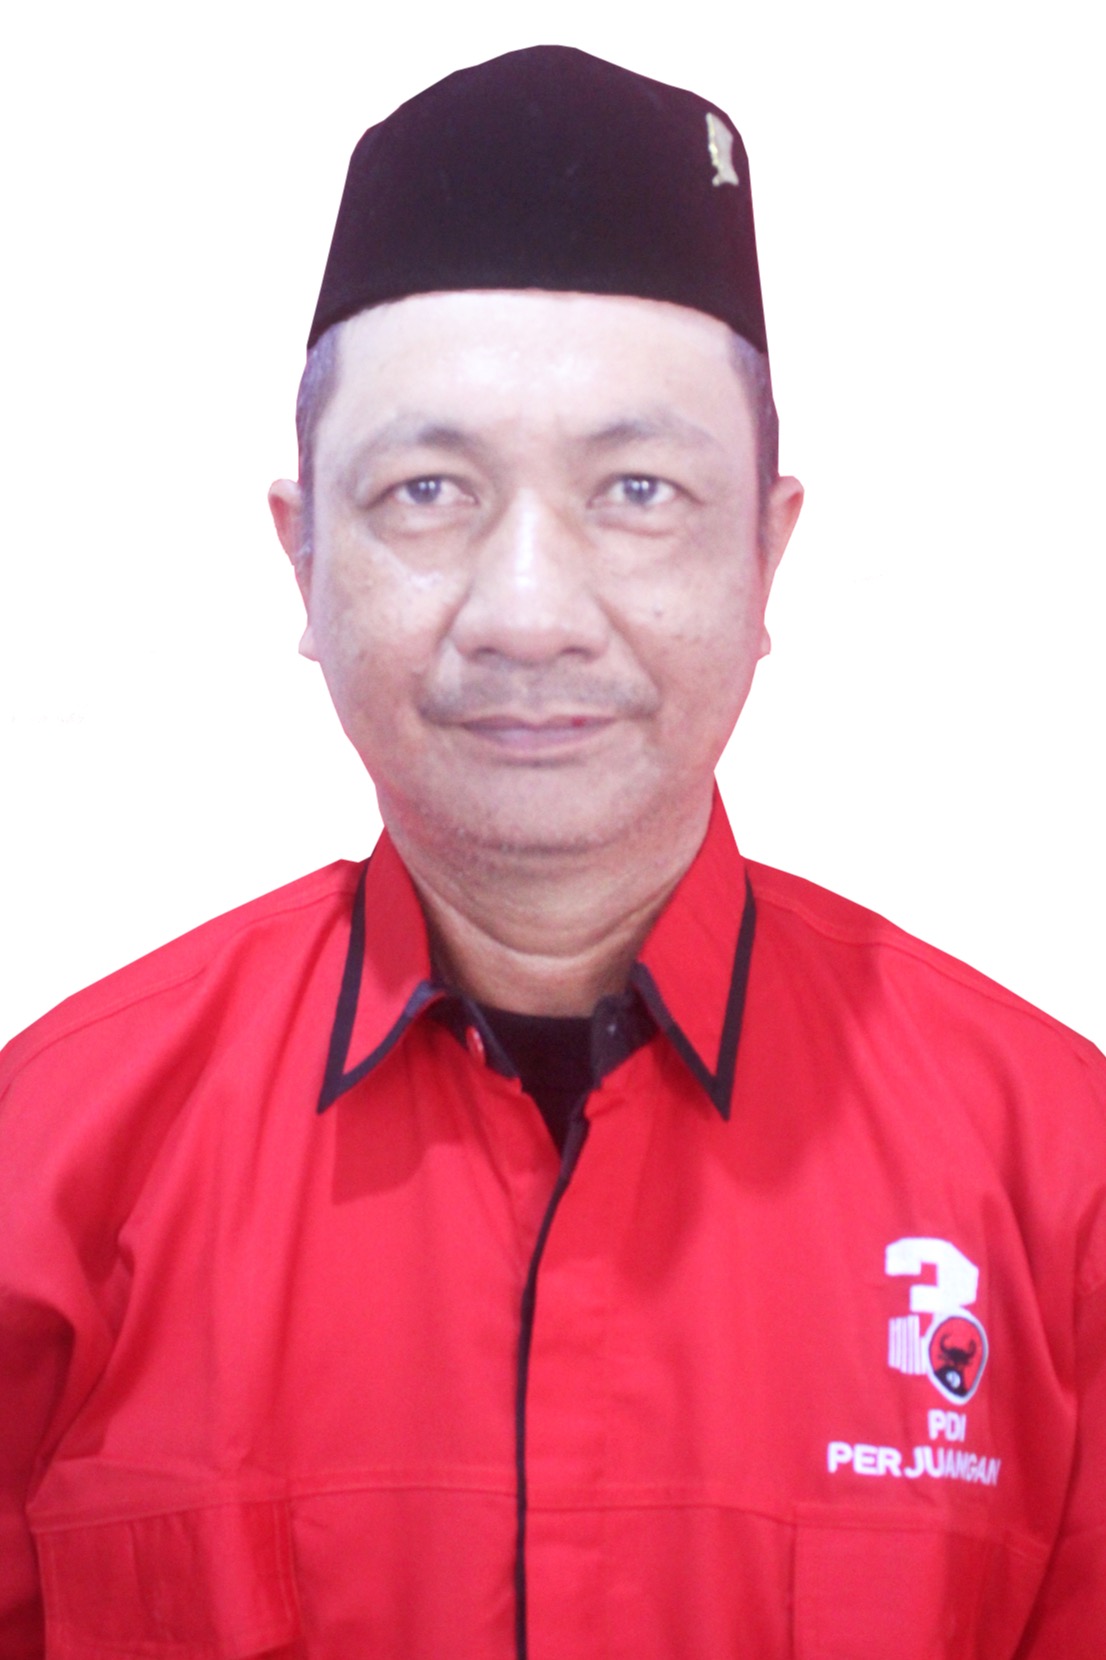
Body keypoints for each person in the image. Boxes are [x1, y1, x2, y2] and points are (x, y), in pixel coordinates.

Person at [1, 44, 1103, 1660]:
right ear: (303, 557)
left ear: (763, 555)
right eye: (425, 490)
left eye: (637, 490)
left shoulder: (1056, 1182)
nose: (527, 614)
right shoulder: (46, 1165)